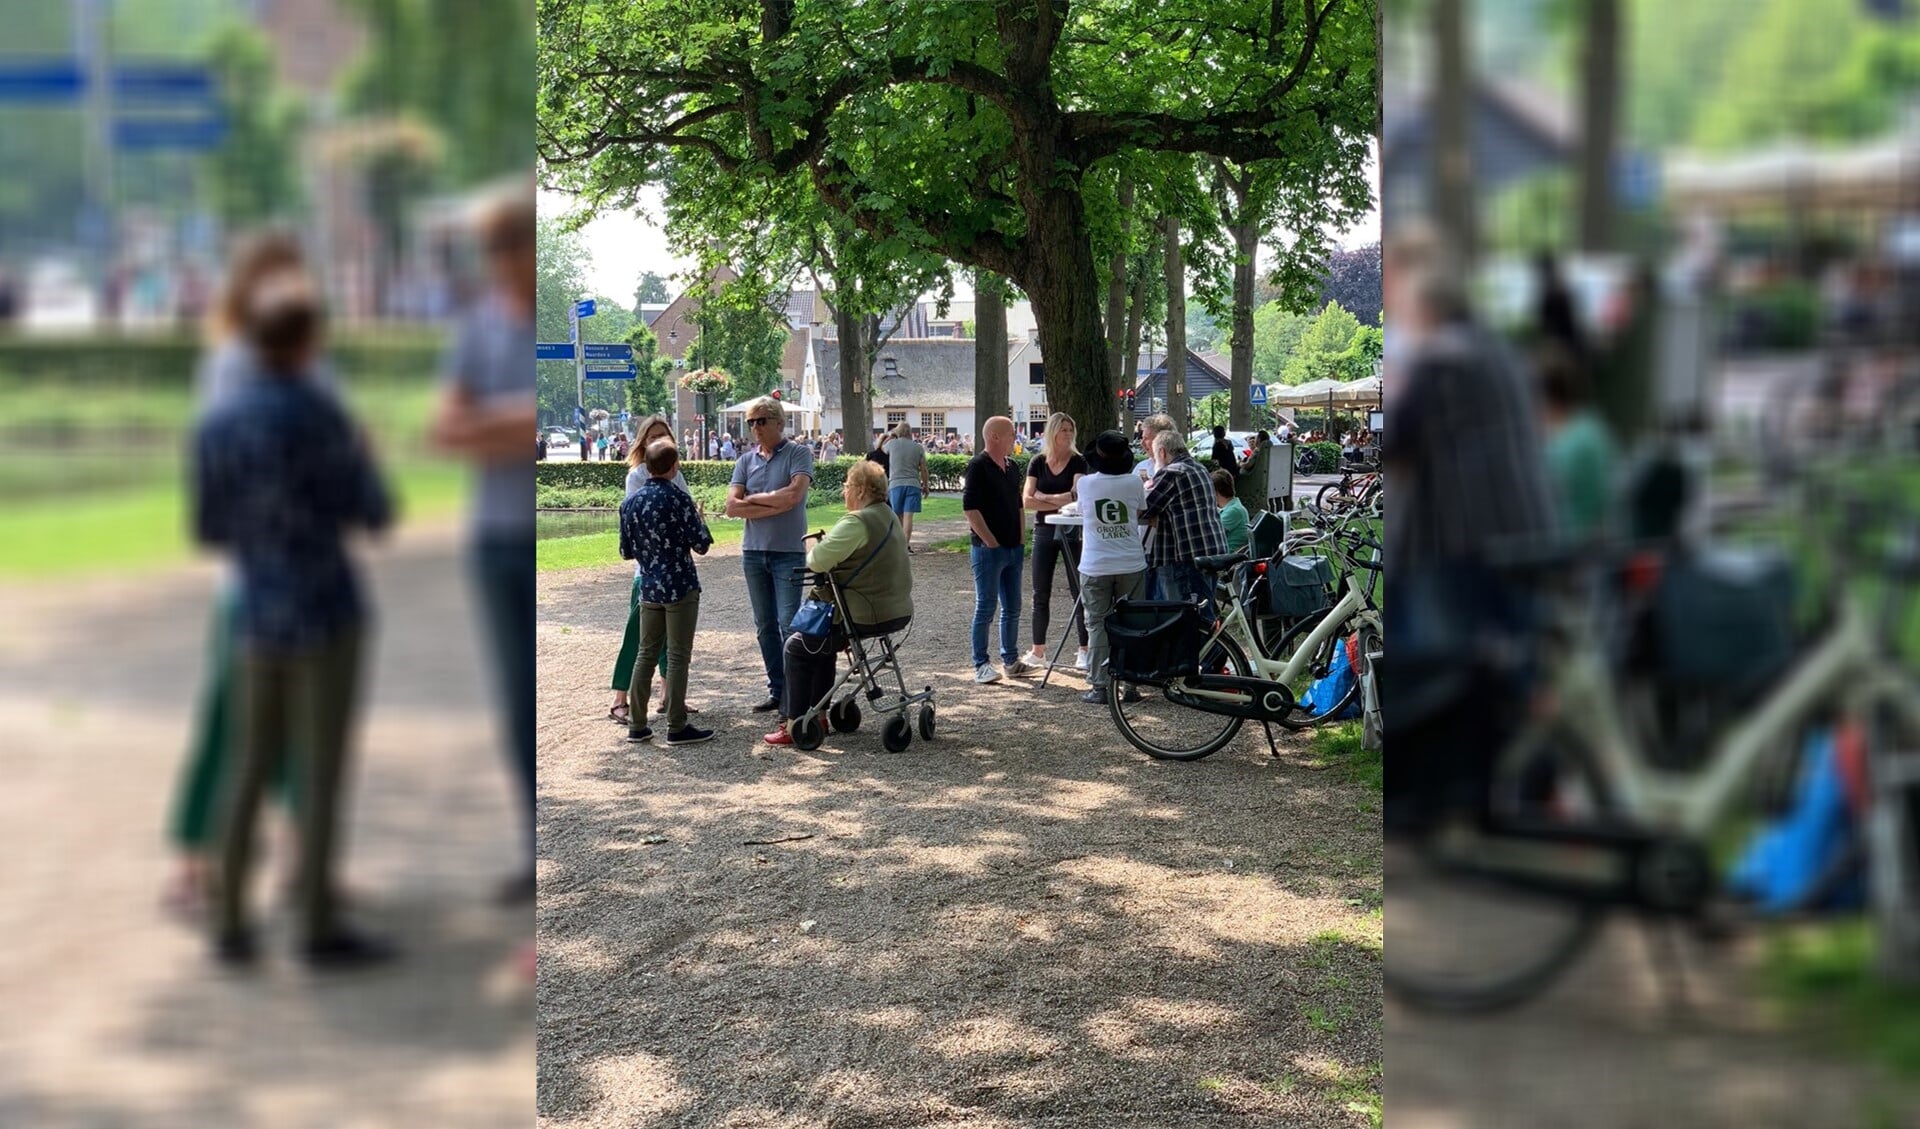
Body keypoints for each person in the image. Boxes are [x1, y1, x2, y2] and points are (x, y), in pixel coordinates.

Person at [193, 256, 394, 968]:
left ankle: (229, 919)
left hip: (256, 610)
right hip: (326, 609)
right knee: (320, 768)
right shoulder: (322, 417)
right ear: (308, 343)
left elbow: (209, 527)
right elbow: (373, 511)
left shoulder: (218, 425)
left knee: (246, 766)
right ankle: (314, 923)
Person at [166, 231, 342, 923]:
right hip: (253, 575)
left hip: (312, 569)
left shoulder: (313, 367)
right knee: (228, 718)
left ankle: (307, 857)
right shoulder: (230, 365)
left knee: (310, 724)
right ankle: (193, 859)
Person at [429, 191, 539, 903]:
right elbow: (446, 431)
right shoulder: (477, 327)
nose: (501, 265)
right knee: (512, 693)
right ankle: (530, 841)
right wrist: (512, 424)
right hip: (494, 538)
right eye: (492, 252)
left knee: (528, 687)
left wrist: (491, 426)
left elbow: (498, 430)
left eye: (509, 249)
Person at [764, 460, 913, 745]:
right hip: (896, 611)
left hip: (862, 615)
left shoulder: (857, 521)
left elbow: (816, 561)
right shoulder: (888, 515)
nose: (844, 492)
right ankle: (819, 715)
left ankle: (795, 721)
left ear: (859, 489)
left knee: (797, 646)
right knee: (820, 642)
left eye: (846, 487)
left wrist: (823, 543)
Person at [608, 415, 703, 724]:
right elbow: (697, 537)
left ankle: (664, 700)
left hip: (652, 575)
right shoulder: (638, 477)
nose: (660, 441)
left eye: (664, 436)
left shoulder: (675, 477)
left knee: (659, 643)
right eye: (653, 437)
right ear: (643, 444)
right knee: (645, 640)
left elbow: (627, 544)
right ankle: (622, 699)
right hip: (658, 574)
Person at [620, 439, 715, 745]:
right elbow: (701, 544)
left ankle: (636, 723)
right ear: (674, 467)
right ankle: (676, 724)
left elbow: (626, 551)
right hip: (680, 585)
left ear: (647, 466)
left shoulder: (630, 504)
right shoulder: (679, 499)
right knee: (677, 655)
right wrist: (700, 519)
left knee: (645, 653)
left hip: (649, 586)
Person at [727, 397, 815, 712]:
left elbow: (794, 496)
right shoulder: (744, 461)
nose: (755, 427)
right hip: (753, 553)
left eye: (761, 421)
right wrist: (772, 502)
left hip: (788, 552)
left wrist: (755, 500)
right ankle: (777, 690)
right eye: (751, 422)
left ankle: (798, 693)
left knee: (789, 624)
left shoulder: (798, 453)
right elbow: (732, 507)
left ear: (779, 422)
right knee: (764, 625)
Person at [1076, 431, 1150, 705]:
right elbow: (1140, 511)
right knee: (1132, 622)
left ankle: (1100, 685)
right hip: (1131, 561)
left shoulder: (1086, 484)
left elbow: (1083, 512)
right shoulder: (1133, 482)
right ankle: (1131, 684)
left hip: (1096, 563)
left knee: (1097, 623)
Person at [964, 416, 1031, 683]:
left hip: (1013, 546)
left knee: (1013, 606)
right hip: (988, 549)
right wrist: (990, 541)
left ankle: (1010, 659)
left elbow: (1018, 504)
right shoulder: (978, 467)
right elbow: (970, 508)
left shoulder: (1012, 466)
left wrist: (1022, 536)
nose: (1014, 439)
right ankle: (980, 663)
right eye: (1011, 435)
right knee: (986, 606)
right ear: (994, 437)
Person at [1020, 412, 1089, 673]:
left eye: (1071, 430)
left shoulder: (1078, 462)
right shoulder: (1037, 462)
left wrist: (1044, 496)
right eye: (1063, 430)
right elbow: (1026, 501)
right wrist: (1059, 499)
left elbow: (1076, 497)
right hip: (1044, 529)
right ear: (1053, 433)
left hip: (1071, 529)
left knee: (1078, 589)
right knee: (1040, 591)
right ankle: (1038, 650)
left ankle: (1084, 649)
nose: (1068, 435)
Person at [1141, 430, 1229, 620]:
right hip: (1211, 547)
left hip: (1188, 554)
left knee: (1186, 617)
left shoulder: (1172, 472)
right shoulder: (1199, 468)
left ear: (1162, 452)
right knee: (1205, 610)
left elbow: (1145, 509)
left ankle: (1201, 649)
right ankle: (1214, 647)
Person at [1536, 343, 1616, 540]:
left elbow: (1542, 489)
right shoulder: (1590, 426)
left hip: (1569, 545)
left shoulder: (1572, 440)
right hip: (1590, 540)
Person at [882, 422, 929, 551]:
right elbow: (923, 469)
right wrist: (925, 485)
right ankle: (905, 544)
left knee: (897, 515)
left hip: (896, 484)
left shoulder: (892, 444)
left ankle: (898, 544)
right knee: (908, 516)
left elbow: (881, 447)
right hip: (913, 484)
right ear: (910, 433)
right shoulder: (918, 447)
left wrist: (890, 436)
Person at [1213, 468, 1250, 554]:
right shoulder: (1233, 507)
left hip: (1227, 559)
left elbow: (1211, 533)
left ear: (1215, 492)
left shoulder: (1234, 511)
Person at [1135, 413, 1173, 486]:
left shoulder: (1178, 470)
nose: (1142, 443)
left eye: (1146, 438)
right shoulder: (1142, 466)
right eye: (1142, 438)